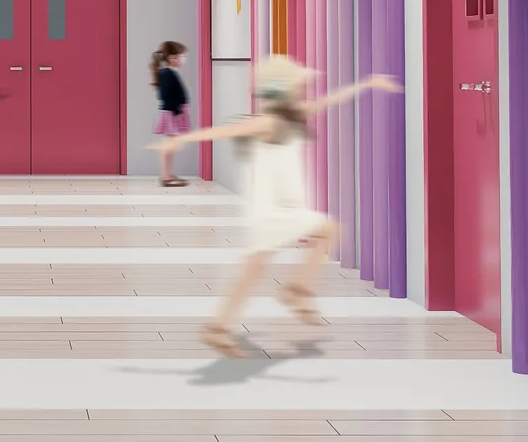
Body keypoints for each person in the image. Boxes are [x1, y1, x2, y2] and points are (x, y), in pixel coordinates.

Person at [150, 54, 401, 357]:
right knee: (328, 229)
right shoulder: (268, 122)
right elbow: (225, 131)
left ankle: (219, 328)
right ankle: (296, 291)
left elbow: (331, 100)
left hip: (277, 207)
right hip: (273, 210)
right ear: (282, 92)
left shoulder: (292, 116)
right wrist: (180, 141)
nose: (303, 91)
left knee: (253, 271)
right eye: (298, 86)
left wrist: (367, 83)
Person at [150, 41, 192, 187]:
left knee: (170, 146)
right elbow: (166, 95)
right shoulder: (168, 74)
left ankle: (167, 174)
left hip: (172, 113)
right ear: (173, 57)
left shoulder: (168, 73)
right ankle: (166, 176)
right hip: (171, 114)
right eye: (182, 56)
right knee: (168, 146)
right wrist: (177, 110)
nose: (184, 59)